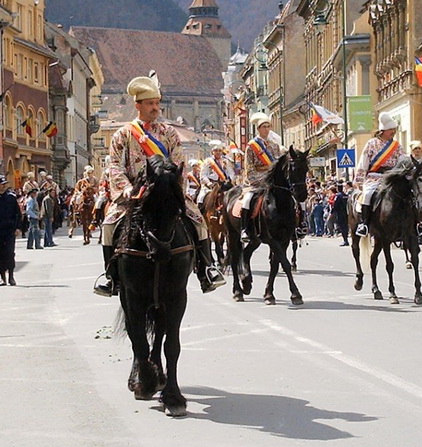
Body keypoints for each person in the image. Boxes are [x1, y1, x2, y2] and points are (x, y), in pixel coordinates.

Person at [94, 74, 225, 297]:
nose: (155, 108)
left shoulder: (169, 133)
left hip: (165, 192)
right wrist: (126, 187)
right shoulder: (123, 135)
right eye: (150, 104)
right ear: (138, 106)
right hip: (134, 195)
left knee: (198, 221)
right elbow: (114, 165)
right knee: (108, 226)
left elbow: (178, 163)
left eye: (157, 103)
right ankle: (111, 277)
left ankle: (206, 269)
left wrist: (172, 187)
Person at [354, 112, 407, 237]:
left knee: (408, 193)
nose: (393, 132)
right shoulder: (371, 143)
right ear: (383, 130)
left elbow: (403, 158)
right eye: (391, 130)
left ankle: (415, 223)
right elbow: (363, 162)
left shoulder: (396, 145)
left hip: (392, 177)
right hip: (374, 177)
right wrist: (359, 180)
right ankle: (364, 224)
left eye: (394, 130)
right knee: (367, 195)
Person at [240, 112, 286, 242]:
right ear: (258, 129)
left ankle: (297, 226)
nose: (266, 129)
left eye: (268, 126)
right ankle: (245, 229)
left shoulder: (275, 146)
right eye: (263, 127)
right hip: (257, 180)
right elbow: (249, 167)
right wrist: (259, 180)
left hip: (272, 181)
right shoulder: (251, 146)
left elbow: (278, 165)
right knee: (247, 200)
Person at [197, 141, 234, 208]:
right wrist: (209, 183)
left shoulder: (226, 161)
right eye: (216, 150)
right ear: (212, 152)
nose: (218, 152)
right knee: (201, 198)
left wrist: (230, 179)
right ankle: (201, 215)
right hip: (211, 186)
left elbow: (231, 173)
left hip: (223, 185)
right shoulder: (208, 161)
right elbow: (203, 175)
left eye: (220, 150)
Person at [0, 175, 22, 286]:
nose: (4, 187)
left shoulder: (11, 198)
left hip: (9, 231)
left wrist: (18, 227)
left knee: (9, 253)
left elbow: (18, 214)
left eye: (5, 185)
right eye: (2, 184)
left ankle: (11, 276)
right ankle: (2, 277)